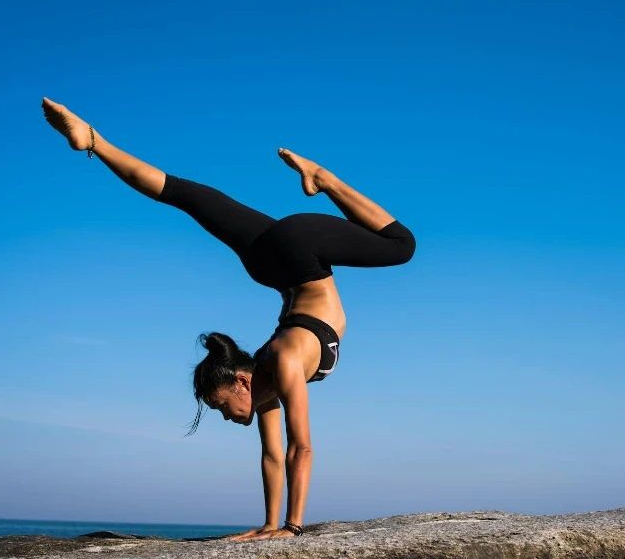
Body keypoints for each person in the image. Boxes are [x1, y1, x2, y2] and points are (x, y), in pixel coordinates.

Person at [40, 98, 416, 541]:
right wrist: (269, 526)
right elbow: (273, 456)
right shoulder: (266, 380)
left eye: (219, 405)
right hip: (271, 262)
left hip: (300, 252)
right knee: (184, 195)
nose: (225, 417)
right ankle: (94, 141)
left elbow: (302, 447)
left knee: (401, 245)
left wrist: (292, 529)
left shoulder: (284, 361)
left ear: (241, 381)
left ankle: (323, 178)